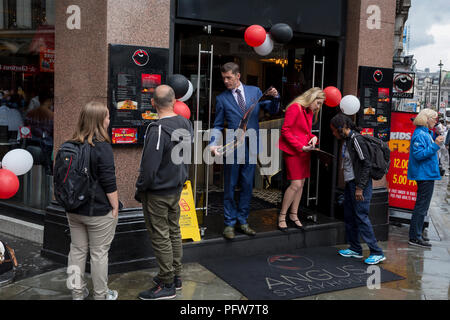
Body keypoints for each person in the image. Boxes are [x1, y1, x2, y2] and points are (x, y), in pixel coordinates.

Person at [209, 62, 280, 240]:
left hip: (252, 145)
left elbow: (272, 109)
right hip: (232, 147)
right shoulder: (222, 98)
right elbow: (217, 125)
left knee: (248, 185)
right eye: (223, 78)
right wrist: (212, 143)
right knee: (230, 186)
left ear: (238, 76)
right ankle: (229, 223)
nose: (226, 81)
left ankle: (243, 220)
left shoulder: (255, 91)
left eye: (229, 78)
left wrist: (276, 97)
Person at [135, 85, 193, 300]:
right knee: (174, 232)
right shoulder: (185, 123)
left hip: (158, 191)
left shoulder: (157, 129)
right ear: (174, 101)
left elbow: (150, 167)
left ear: (153, 103)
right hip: (176, 187)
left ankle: (167, 282)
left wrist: (141, 187)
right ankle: (175, 276)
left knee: (160, 236)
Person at [66, 101, 119, 300]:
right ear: (99, 121)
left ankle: (77, 294)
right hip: (97, 211)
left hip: (73, 208)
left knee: (76, 251)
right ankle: (101, 295)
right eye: (106, 117)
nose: (109, 120)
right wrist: (115, 206)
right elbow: (109, 181)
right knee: (98, 254)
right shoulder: (102, 147)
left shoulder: (69, 144)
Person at [330, 113, 386, 265]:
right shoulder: (348, 140)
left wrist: (360, 188)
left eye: (335, 130)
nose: (334, 134)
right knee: (350, 215)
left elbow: (366, 164)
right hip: (351, 183)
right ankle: (355, 248)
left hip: (359, 184)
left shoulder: (356, 140)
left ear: (342, 128)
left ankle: (377, 252)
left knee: (361, 216)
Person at [277, 87, 325, 231]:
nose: (318, 107)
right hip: (293, 151)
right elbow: (286, 130)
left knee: (301, 184)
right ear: (311, 98)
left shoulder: (309, 111)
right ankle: (282, 216)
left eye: (320, 104)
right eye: (318, 103)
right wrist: (301, 146)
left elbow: (305, 132)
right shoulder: (295, 108)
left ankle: (293, 214)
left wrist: (313, 137)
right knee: (295, 184)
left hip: (304, 151)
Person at [407, 108, 443, 248]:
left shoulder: (425, 132)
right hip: (424, 174)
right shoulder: (420, 134)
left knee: (423, 206)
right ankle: (415, 237)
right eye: (434, 119)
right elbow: (419, 154)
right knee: (421, 206)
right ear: (427, 119)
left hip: (427, 173)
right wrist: (435, 145)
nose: (436, 122)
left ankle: (417, 234)